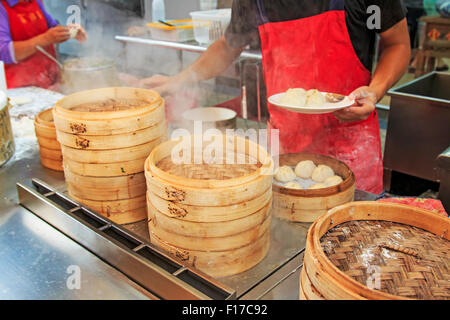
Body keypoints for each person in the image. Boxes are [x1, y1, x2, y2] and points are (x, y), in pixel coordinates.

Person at [140, 0, 411, 194]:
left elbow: (397, 44)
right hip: (286, 141)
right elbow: (228, 46)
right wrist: (178, 80)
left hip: (350, 140)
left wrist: (375, 90)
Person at [0, 0, 87, 89]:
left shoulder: (35, 2)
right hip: (20, 89)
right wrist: (46, 38)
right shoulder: (2, 6)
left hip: (49, 81)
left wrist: (70, 31)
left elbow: (53, 27)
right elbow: (3, 52)